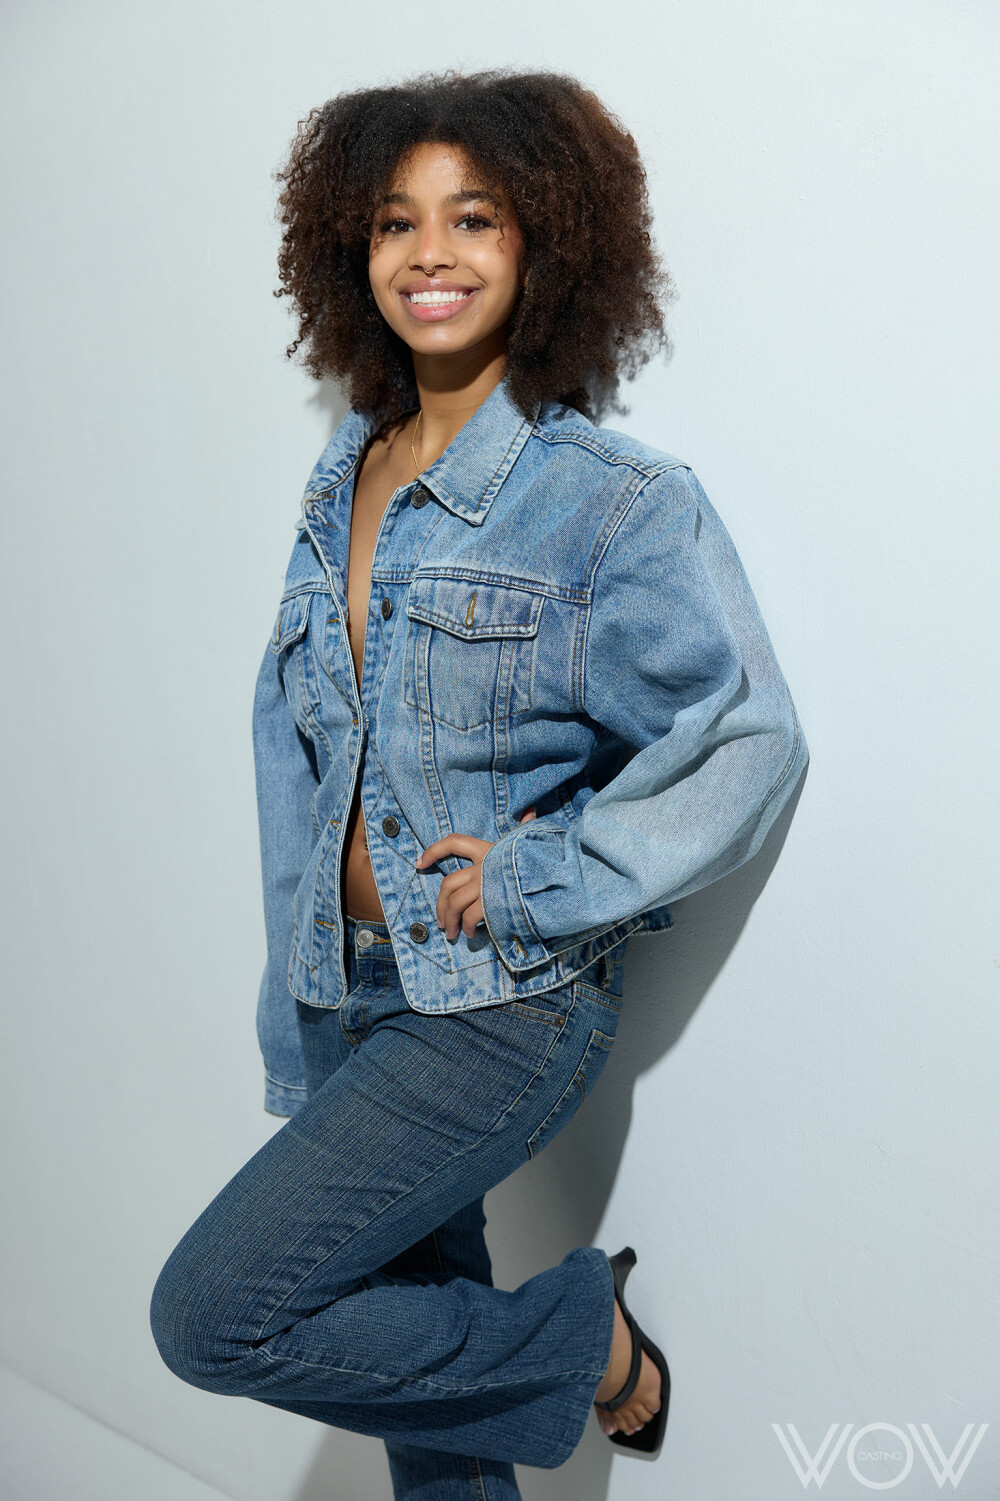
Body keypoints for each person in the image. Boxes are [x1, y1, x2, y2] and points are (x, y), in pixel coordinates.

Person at [149, 67, 808, 1496]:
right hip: (346, 991)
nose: (429, 254)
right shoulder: (343, 477)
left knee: (212, 1314)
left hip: (494, 1005)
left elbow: (748, 738)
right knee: (428, 1425)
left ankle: (584, 1341)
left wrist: (541, 876)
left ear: (545, 243)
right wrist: (297, 990)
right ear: (353, 249)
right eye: (397, 221)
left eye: (475, 217)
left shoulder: (611, 500)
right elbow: (302, 766)